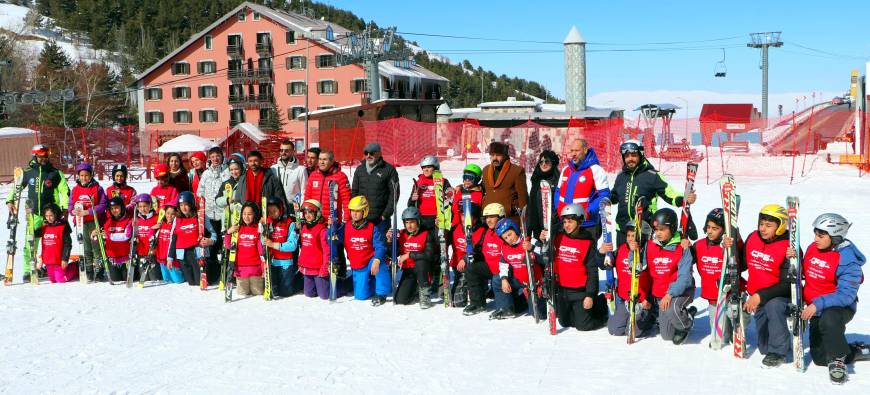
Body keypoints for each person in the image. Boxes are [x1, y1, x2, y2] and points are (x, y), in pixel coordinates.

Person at [791, 213, 867, 384]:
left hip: (839, 308)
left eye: (821, 235)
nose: (816, 238)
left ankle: (838, 359)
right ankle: (852, 350)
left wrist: (817, 304)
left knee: (829, 319)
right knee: (819, 358)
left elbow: (846, 295)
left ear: (835, 236)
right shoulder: (813, 248)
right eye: (815, 233)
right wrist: (794, 260)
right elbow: (806, 272)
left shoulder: (848, 260)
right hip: (815, 308)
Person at [610, 140, 696, 246]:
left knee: (644, 262)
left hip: (644, 229)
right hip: (624, 230)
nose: (630, 158)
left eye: (633, 155)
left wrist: (684, 198)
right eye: (627, 156)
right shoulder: (621, 176)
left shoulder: (652, 176)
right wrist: (604, 197)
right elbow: (614, 196)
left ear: (640, 154)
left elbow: (669, 194)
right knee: (622, 261)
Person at [5, 144, 70, 281]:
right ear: (35, 156)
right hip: (33, 215)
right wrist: (10, 200)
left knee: (53, 243)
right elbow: (17, 187)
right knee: (30, 243)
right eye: (41, 157)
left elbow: (65, 191)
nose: (44, 159)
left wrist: (64, 208)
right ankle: (29, 270)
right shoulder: (28, 172)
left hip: (51, 216)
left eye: (46, 156)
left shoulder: (55, 173)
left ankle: (53, 266)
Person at [541, 204, 608, 331]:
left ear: (580, 221)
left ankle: (600, 304)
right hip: (562, 291)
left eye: (570, 221)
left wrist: (590, 295)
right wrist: (544, 241)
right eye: (565, 221)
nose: (566, 225)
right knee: (565, 322)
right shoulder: (557, 237)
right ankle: (579, 313)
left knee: (583, 326)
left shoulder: (587, 242)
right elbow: (545, 255)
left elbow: (592, 271)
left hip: (579, 292)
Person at [740, 204, 792, 368]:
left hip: (779, 296)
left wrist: (760, 295)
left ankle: (779, 351)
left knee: (774, 306)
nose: (763, 228)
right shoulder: (753, 238)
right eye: (761, 223)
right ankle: (778, 342)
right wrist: (729, 247)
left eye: (769, 225)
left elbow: (787, 285)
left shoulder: (788, 247)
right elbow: (742, 264)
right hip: (757, 295)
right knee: (764, 347)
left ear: (781, 226)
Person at [692, 208, 746, 348]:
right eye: (708, 227)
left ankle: (740, 326)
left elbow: (744, 262)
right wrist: (683, 245)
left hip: (731, 294)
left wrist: (736, 239)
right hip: (713, 297)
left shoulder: (730, 245)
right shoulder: (699, 246)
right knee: (721, 339)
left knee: (732, 313)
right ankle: (728, 332)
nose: (710, 231)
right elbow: (682, 261)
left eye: (715, 228)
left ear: (723, 230)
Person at [645, 208, 696, 345]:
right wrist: (633, 253)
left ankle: (686, 323)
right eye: (656, 230)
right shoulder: (651, 246)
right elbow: (640, 265)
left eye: (662, 229)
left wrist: (669, 294)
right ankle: (681, 314)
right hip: (661, 295)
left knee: (672, 308)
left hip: (681, 292)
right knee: (667, 336)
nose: (658, 233)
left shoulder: (682, 248)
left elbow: (685, 278)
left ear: (672, 228)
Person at [605, 221, 655, 337]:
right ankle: (628, 317)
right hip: (625, 300)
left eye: (634, 236)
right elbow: (606, 264)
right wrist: (602, 253)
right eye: (628, 236)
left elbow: (656, 277)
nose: (630, 239)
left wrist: (648, 299)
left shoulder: (649, 252)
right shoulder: (621, 250)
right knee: (614, 330)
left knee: (632, 332)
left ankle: (650, 317)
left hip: (642, 301)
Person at [491, 217, 543, 320]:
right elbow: (503, 265)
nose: (509, 239)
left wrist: (532, 248)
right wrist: (504, 279)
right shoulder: (505, 247)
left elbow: (545, 254)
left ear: (515, 229)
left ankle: (525, 302)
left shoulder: (529, 240)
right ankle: (506, 309)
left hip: (533, 282)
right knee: (497, 280)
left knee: (539, 315)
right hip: (518, 280)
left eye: (510, 234)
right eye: (505, 237)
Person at [556, 139, 610, 237]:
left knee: (586, 252)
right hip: (566, 223)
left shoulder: (596, 170)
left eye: (576, 151)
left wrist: (588, 212)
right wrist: (558, 209)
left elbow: (604, 196)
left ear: (585, 150)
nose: (573, 154)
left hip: (587, 225)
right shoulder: (566, 170)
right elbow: (558, 192)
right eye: (571, 151)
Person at [343, 196, 390, 305]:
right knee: (360, 296)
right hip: (358, 264)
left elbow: (380, 246)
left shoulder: (372, 227)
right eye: (352, 211)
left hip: (370, 260)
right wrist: (332, 229)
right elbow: (334, 239)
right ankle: (370, 282)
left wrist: (377, 259)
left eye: (358, 211)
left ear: (364, 212)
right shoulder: (346, 227)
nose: (354, 214)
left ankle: (381, 292)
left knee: (381, 263)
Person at [388, 207, 438, 308]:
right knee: (401, 300)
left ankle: (425, 295)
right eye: (407, 222)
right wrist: (390, 241)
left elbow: (429, 255)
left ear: (418, 222)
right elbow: (393, 254)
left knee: (420, 263)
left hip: (424, 270)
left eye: (412, 222)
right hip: (409, 271)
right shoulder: (401, 234)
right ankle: (415, 288)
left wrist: (409, 255)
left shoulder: (426, 234)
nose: (409, 225)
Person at [463, 203, 506, 316]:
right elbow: (480, 249)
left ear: (500, 216)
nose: (489, 220)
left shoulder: (507, 231)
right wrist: (469, 255)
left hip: (504, 270)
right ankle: (478, 303)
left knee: (499, 284)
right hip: (490, 267)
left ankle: (511, 304)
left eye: (492, 217)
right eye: (487, 217)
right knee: (471, 269)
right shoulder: (487, 232)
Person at [167, 191, 217, 287]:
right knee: (191, 283)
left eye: (186, 204)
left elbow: (213, 233)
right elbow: (173, 239)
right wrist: (170, 258)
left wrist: (211, 241)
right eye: (181, 205)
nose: (183, 208)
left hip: (197, 254)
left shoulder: (200, 216)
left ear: (191, 204)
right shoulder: (177, 219)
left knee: (199, 283)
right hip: (183, 255)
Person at [69, 163, 108, 282]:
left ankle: (99, 270)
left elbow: (103, 205)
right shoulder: (75, 190)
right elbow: (70, 205)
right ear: (78, 176)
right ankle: (89, 269)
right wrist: (73, 211)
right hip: (81, 224)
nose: (84, 178)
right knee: (85, 247)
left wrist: (88, 211)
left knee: (96, 247)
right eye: (81, 175)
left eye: (86, 175)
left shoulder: (97, 188)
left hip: (94, 222)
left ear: (91, 175)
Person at [197, 147, 229, 284]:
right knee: (211, 245)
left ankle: (226, 273)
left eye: (218, 156)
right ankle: (212, 273)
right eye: (213, 156)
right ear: (209, 158)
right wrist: (202, 205)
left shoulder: (227, 172)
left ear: (222, 157)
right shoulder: (205, 174)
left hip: (223, 215)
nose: (215, 159)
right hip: (209, 215)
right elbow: (200, 192)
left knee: (224, 245)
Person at [351, 142, 400, 231]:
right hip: (362, 219)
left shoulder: (388, 170)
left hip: (380, 219)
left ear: (379, 153)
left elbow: (394, 193)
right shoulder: (360, 170)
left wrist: (386, 214)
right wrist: (355, 211)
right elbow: (354, 191)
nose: (369, 155)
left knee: (380, 244)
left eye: (372, 153)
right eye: (366, 153)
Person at [224, 202, 266, 296]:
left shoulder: (258, 229)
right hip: (241, 271)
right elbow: (228, 246)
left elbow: (261, 251)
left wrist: (264, 269)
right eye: (244, 214)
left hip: (256, 270)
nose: (246, 217)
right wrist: (228, 233)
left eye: (249, 214)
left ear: (255, 214)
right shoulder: (237, 229)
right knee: (242, 295)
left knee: (258, 295)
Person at [481, 142, 528, 224]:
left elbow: (523, 198)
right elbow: (481, 187)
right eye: (492, 155)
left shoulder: (516, 171)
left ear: (505, 156)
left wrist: (523, 222)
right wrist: (461, 187)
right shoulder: (485, 170)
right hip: (489, 218)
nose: (494, 158)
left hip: (508, 219)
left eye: (498, 155)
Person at [450, 202, 485, 309]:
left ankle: (480, 287)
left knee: (460, 302)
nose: (465, 219)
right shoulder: (456, 228)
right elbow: (442, 242)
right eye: (463, 215)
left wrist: (466, 258)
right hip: (457, 266)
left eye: (469, 216)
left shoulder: (482, 230)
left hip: (473, 266)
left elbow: (481, 252)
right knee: (457, 302)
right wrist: (439, 227)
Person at [263, 197, 299, 297]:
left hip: (286, 263)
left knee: (285, 293)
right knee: (274, 291)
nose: (272, 214)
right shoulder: (268, 223)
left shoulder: (290, 223)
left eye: (274, 211)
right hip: (273, 263)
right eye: (269, 212)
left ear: (281, 209)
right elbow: (263, 241)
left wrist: (273, 245)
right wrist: (261, 227)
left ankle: (299, 278)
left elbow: (292, 246)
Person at [297, 199, 330, 299]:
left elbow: (326, 251)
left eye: (310, 212)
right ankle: (319, 285)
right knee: (308, 293)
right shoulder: (304, 227)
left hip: (318, 268)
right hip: (307, 267)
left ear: (317, 213)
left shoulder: (322, 229)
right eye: (305, 213)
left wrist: (325, 267)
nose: (307, 215)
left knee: (324, 295)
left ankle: (342, 284)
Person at [34, 204, 75, 283]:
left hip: (59, 260)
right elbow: (34, 234)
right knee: (52, 280)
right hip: (49, 260)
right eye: (46, 216)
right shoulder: (44, 227)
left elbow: (68, 244)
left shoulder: (63, 226)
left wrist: (65, 259)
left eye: (51, 215)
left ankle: (75, 267)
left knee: (60, 279)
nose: (48, 218)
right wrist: (30, 223)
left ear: (56, 214)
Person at [96, 197, 133, 282]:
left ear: (122, 208)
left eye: (116, 208)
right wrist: (96, 235)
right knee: (116, 280)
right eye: (112, 208)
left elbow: (126, 236)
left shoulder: (128, 220)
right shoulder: (108, 221)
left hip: (126, 259)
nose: (114, 210)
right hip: (112, 259)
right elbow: (103, 237)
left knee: (128, 280)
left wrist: (109, 235)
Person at [408, 155, 449, 231]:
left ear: (435, 167)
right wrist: (412, 199)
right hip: (421, 219)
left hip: (437, 219)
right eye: (423, 167)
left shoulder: (443, 182)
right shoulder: (418, 183)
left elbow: (450, 201)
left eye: (429, 167)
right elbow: (410, 205)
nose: (426, 169)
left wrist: (446, 197)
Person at [527, 150, 560, 240]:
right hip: (538, 225)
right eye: (541, 162)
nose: (543, 164)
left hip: (553, 226)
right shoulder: (536, 180)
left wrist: (553, 225)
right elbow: (531, 206)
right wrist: (528, 229)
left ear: (553, 163)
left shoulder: (558, 181)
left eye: (547, 161)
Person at [132, 194, 162, 282]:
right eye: (140, 206)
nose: (142, 209)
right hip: (141, 253)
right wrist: (134, 238)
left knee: (154, 279)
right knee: (144, 280)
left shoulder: (156, 218)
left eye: (145, 206)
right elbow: (134, 234)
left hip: (153, 254)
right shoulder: (136, 220)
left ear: (150, 205)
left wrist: (159, 225)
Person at [272, 139, 307, 208]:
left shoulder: (301, 170)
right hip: (278, 208)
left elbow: (304, 192)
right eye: (281, 150)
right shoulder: (273, 169)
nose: (283, 153)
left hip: (295, 209)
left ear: (293, 152)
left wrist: (301, 208)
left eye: (286, 151)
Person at [156, 204, 184, 284]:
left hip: (172, 258)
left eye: (173, 214)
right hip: (161, 257)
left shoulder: (176, 226)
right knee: (167, 281)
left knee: (178, 281)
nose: (170, 216)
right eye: (168, 213)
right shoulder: (161, 224)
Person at [450, 164, 483, 228]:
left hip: (469, 228)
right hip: (454, 227)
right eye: (465, 177)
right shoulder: (458, 191)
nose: (467, 180)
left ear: (477, 179)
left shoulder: (479, 195)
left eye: (470, 178)